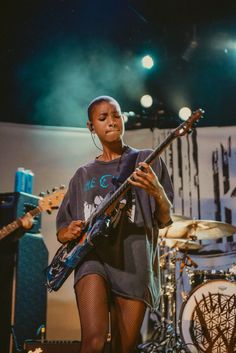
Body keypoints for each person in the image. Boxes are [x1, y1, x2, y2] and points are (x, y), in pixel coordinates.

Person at [56, 96, 173, 353]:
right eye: (103, 118)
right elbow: (62, 229)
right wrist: (67, 232)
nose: (111, 121)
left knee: (124, 347)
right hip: (93, 259)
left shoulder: (146, 160)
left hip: (134, 262)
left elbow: (164, 219)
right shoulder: (83, 174)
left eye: (116, 115)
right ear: (91, 127)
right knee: (94, 340)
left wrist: (157, 192)